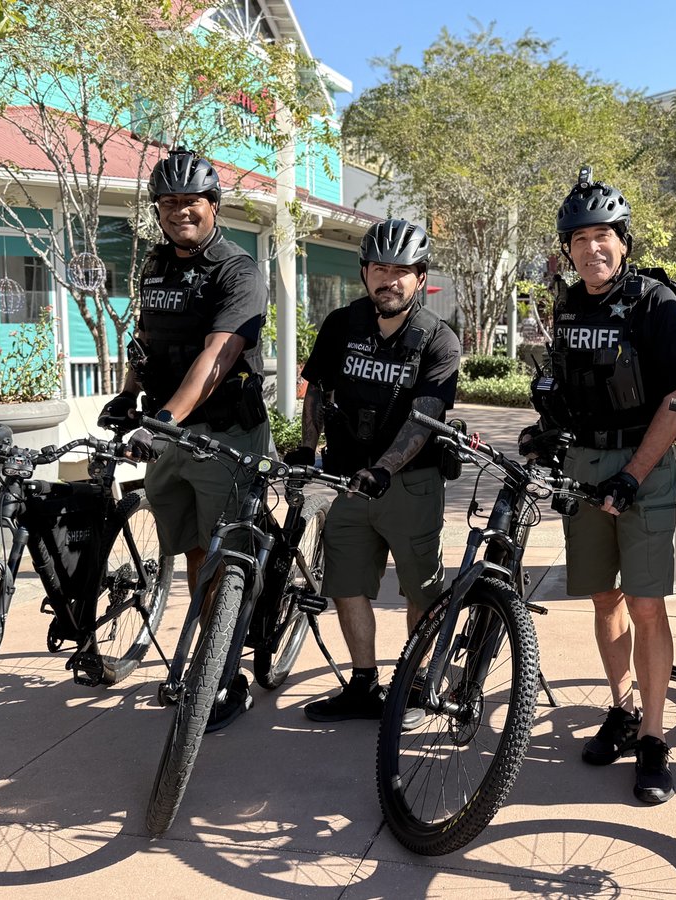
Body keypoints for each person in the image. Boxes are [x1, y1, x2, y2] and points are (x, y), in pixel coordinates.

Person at [521, 168, 676, 804]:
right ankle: (621, 711)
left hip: (641, 465)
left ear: (623, 241)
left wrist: (632, 475)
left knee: (647, 605)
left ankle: (653, 739)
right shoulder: (569, 303)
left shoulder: (655, 302)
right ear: (567, 247)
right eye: (579, 238)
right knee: (604, 599)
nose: (591, 248)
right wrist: (551, 431)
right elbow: (570, 384)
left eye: (603, 236)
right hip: (583, 469)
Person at [99, 147, 270, 729]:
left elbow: (218, 356)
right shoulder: (155, 265)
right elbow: (149, 340)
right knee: (195, 546)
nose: (180, 213)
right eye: (169, 203)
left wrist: (165, 419)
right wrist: (130, 392)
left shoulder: (237, 271)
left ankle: (227, 674)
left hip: (222, 431)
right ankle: (209, 646)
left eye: (190, 202)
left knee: (225, 549)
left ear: (212, 205)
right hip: (167, 427)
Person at [286, 218, 461, 722]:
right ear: (364, 273)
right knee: (347, 584)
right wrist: (306, 447)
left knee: (421, 591)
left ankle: (415, 685)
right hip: (346, 481)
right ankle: (364, 685)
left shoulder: (438, 339)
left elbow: (425, 415)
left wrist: (384, 468)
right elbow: (318, 389)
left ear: (420, 276)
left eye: (402, 270)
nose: (390, 279)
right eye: (380, 269)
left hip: (409, 483)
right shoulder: (342, 324)